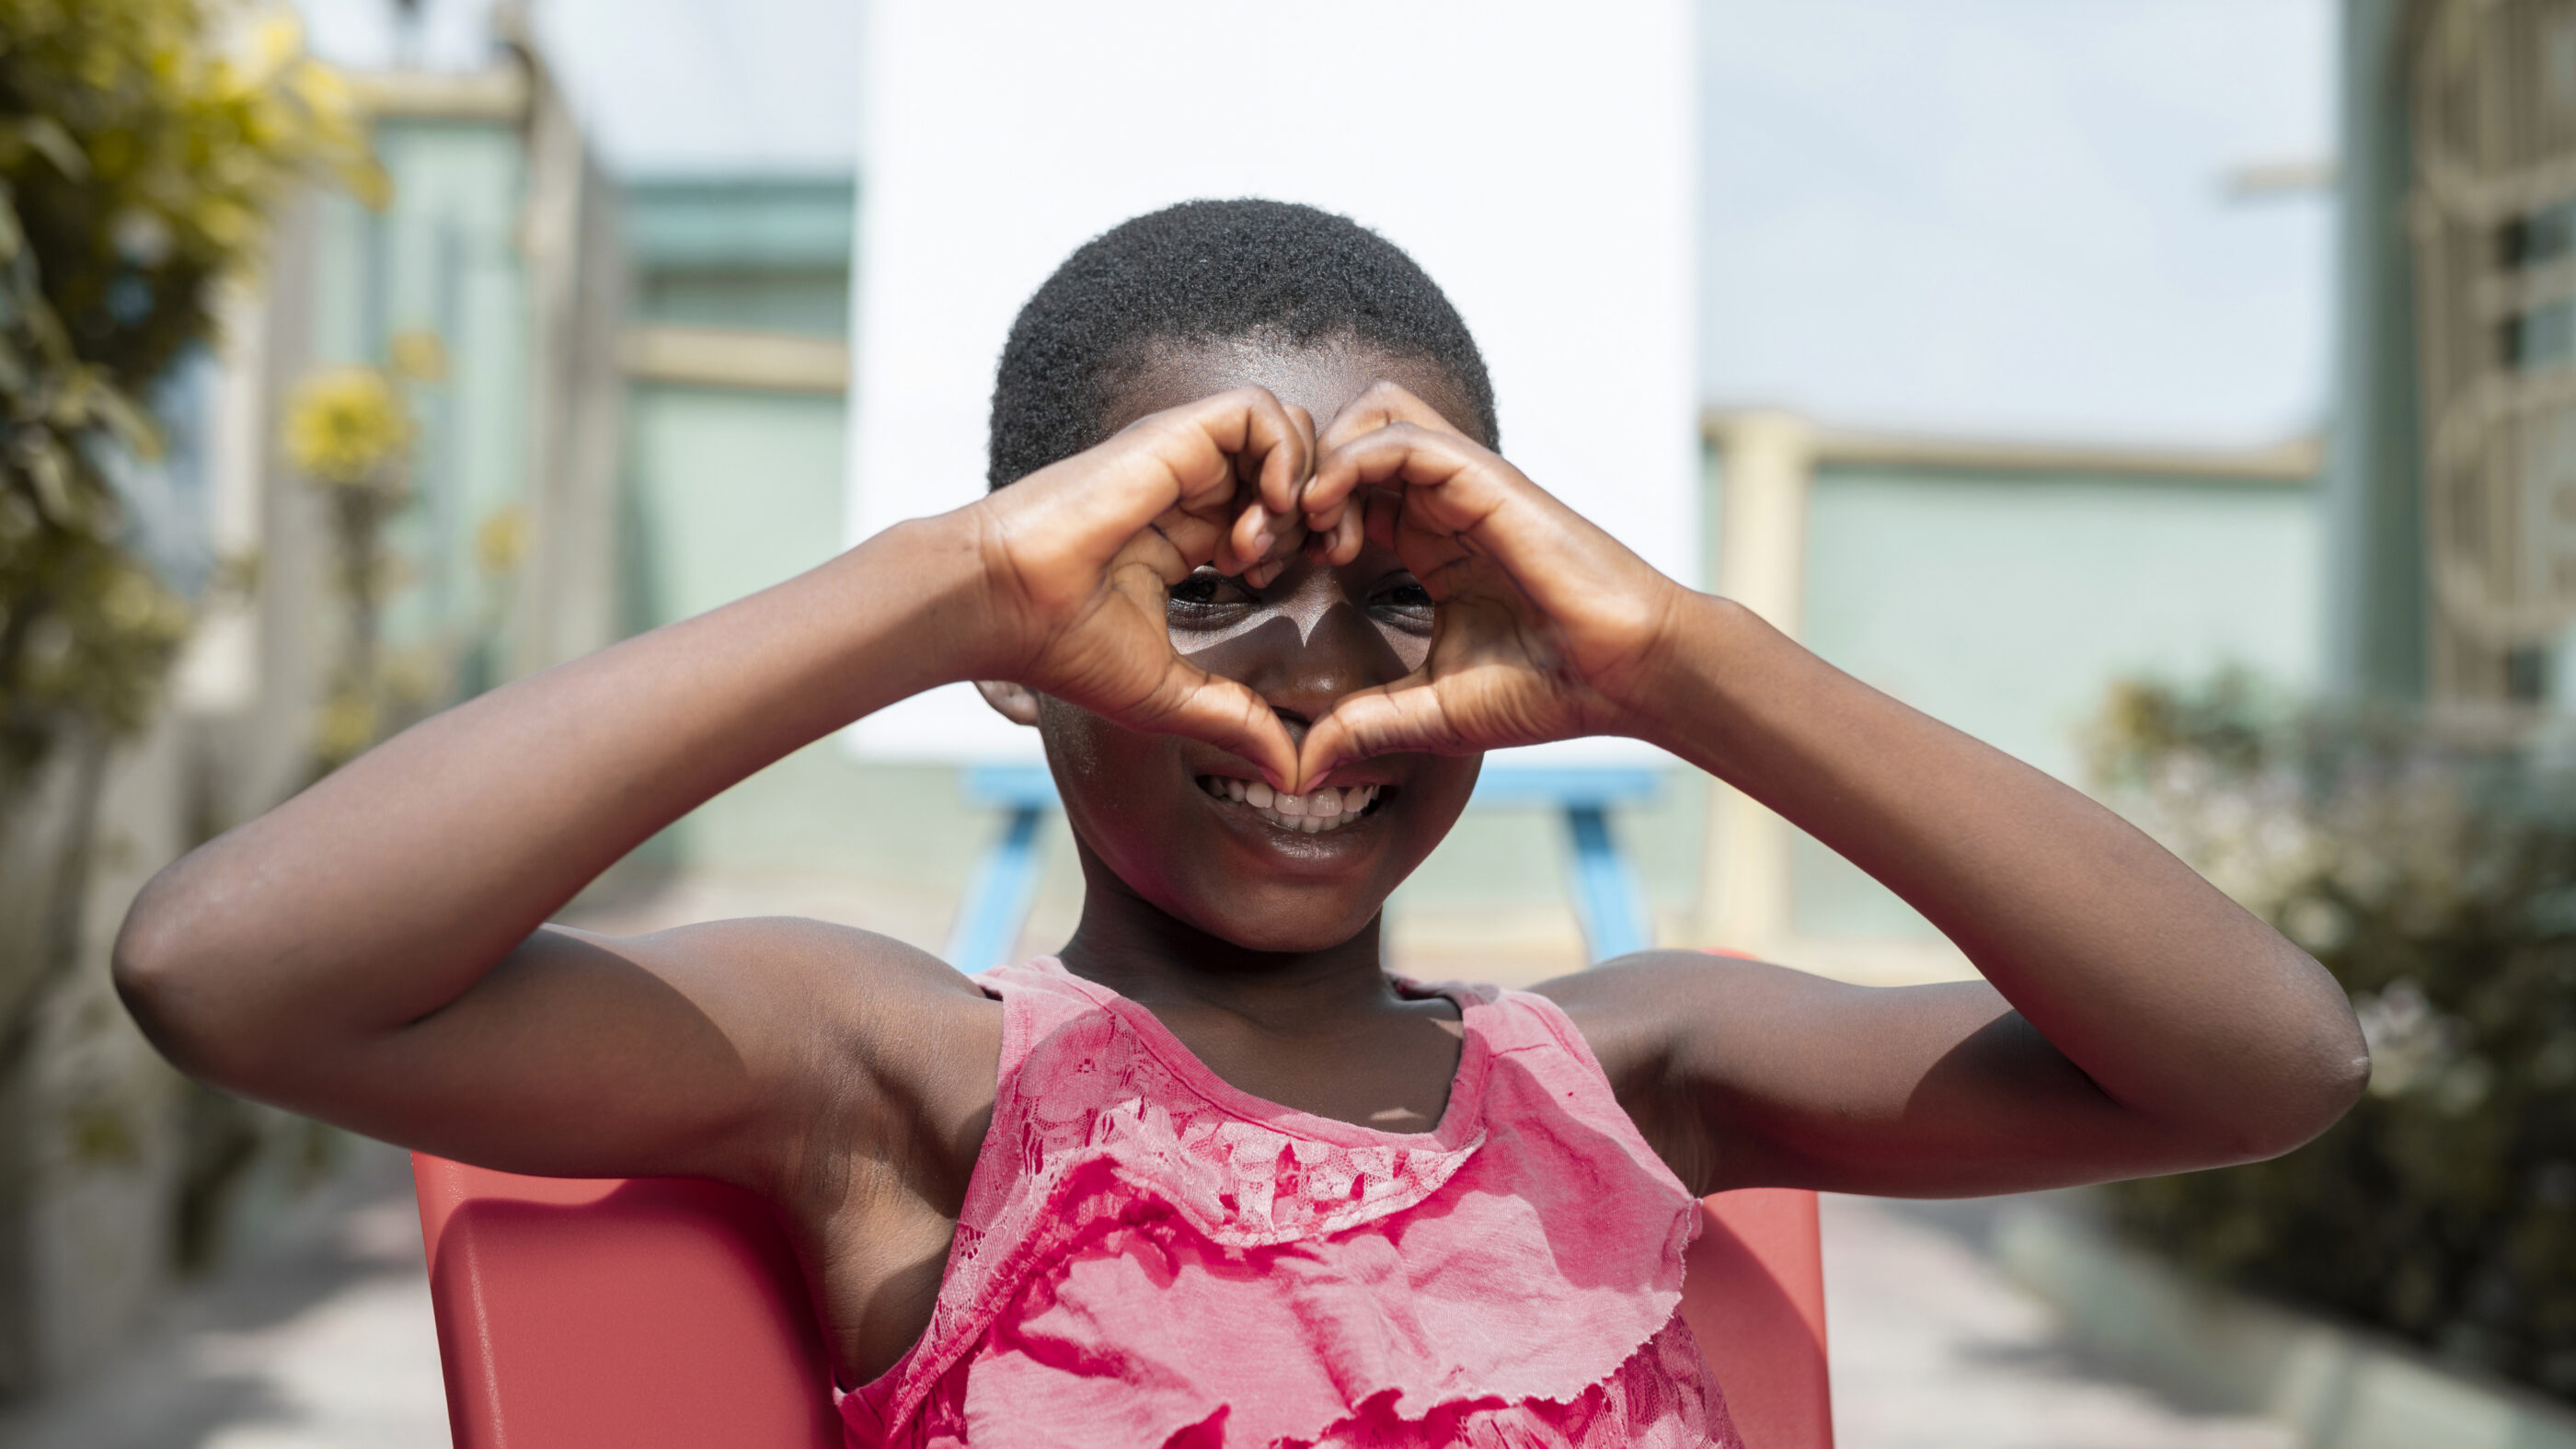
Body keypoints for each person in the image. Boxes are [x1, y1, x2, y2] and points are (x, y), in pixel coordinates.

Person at [113, 200, 2368, 1448]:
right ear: (1031, 640)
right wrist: (948, 578)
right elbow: (238, 966)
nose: (1306, 673)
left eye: (1406, 601)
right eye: (1190, 603)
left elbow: (2262, 1061)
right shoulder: (905, 1076)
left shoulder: (1646, 1075)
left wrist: (1678, 657)